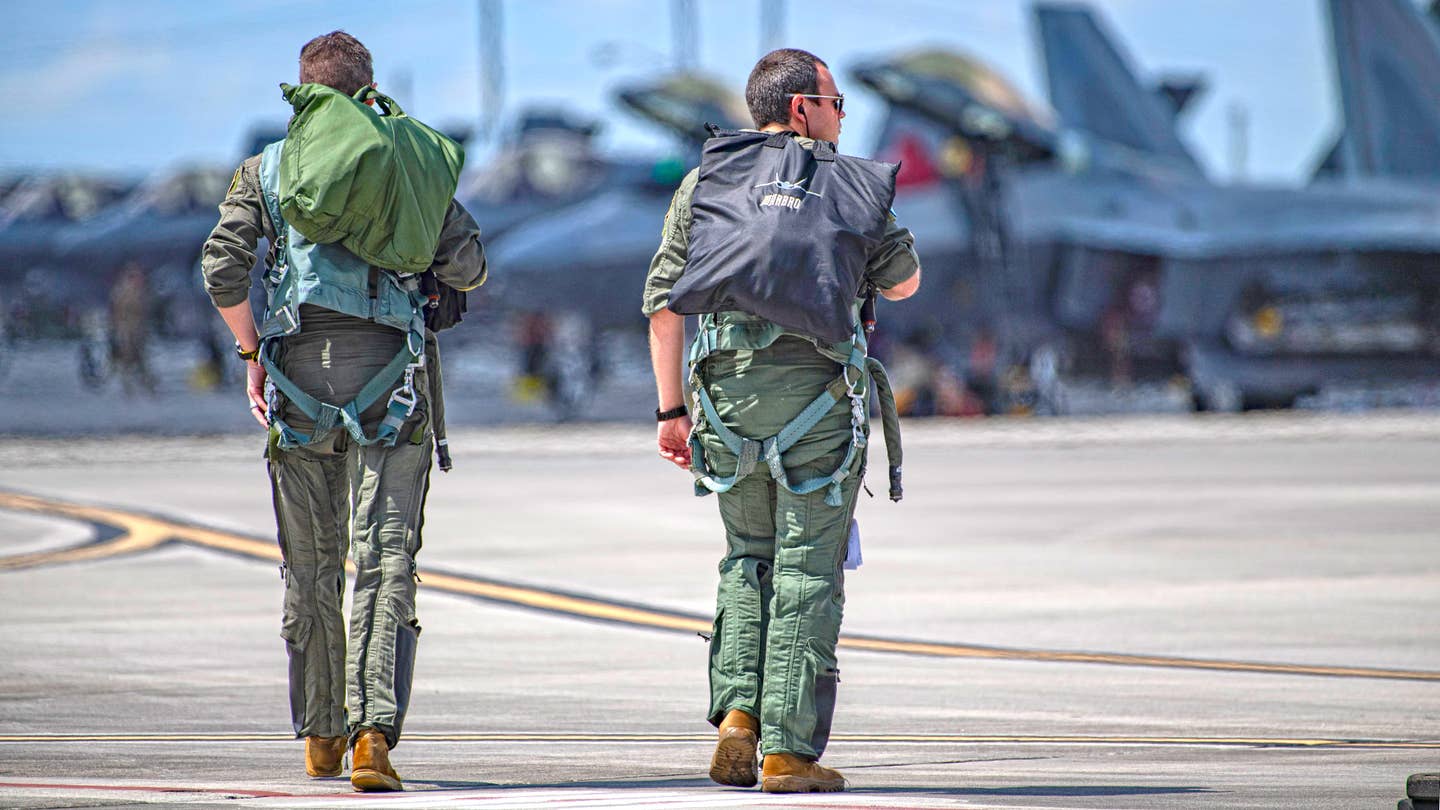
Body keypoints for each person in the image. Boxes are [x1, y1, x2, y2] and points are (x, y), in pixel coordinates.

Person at [199, 31, 485, 792]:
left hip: (295, 389)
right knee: (385, 562)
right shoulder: (407, 161)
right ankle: (372, 740)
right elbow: (469, 266)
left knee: (310, 569)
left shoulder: (265, 171)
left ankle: (320, 738)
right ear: (368, 92)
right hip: (391, 387)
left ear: (304, 92)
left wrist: (252, 355)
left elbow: (222, 268)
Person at [644, 48, 921, 794]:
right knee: (805, 569)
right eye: (835, 105)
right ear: (802, 108)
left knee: (746, 557)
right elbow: (904, 284)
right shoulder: (849, 183)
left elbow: (666, 305)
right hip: (818, 408)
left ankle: (738, 715)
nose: (839, 118)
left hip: (725, 403)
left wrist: (671, 410)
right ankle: (789, 752)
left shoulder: (705, 182)